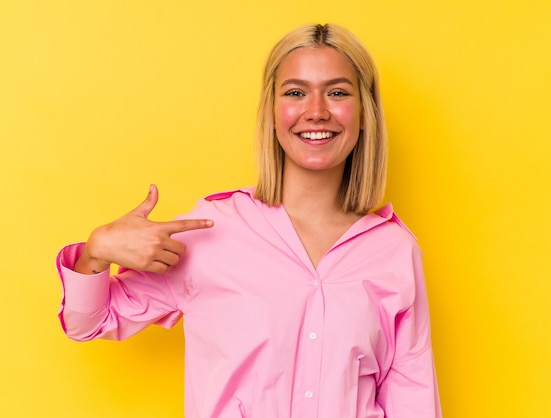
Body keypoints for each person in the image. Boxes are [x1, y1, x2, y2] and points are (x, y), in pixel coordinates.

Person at [56, 23, 442, 418]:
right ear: (273, 115)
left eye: (338, 92)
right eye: (295, 92)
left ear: (364, 115)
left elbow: (414, 402)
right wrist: (97, 250)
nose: (316, 111)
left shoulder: (394, 251)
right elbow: (87, 322)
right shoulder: (212, 230)